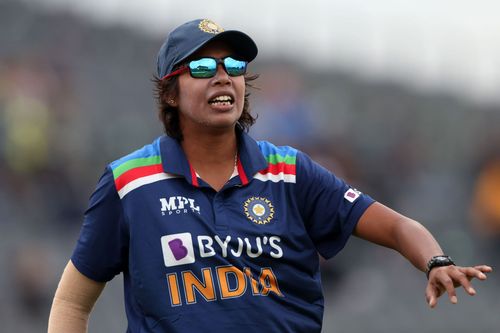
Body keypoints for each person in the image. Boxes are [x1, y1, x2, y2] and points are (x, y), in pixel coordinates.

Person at [48, 19, 492, 333]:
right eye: (202, 69)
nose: (222, 78)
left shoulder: (290, 173)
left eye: (233, 67)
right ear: (169, 91)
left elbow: (396, 225)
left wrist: (435, 261)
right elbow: (71, 301)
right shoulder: (129, 183)